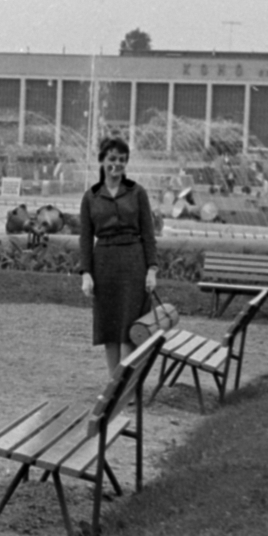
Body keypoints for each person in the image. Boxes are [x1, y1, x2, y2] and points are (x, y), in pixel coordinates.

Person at [79, 136, 159, 376]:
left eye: (122, 160)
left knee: (129, 327)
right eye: (112, 158)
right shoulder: (90, 197)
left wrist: (152, 269)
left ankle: (124, 383)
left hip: (133, 264)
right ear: (102, 161)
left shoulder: (137, 192)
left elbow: (148, 234)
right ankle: (113, 383)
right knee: (109, 327)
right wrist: (86, 273)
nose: (117, 164)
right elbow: (85, 238)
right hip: (104, 266)